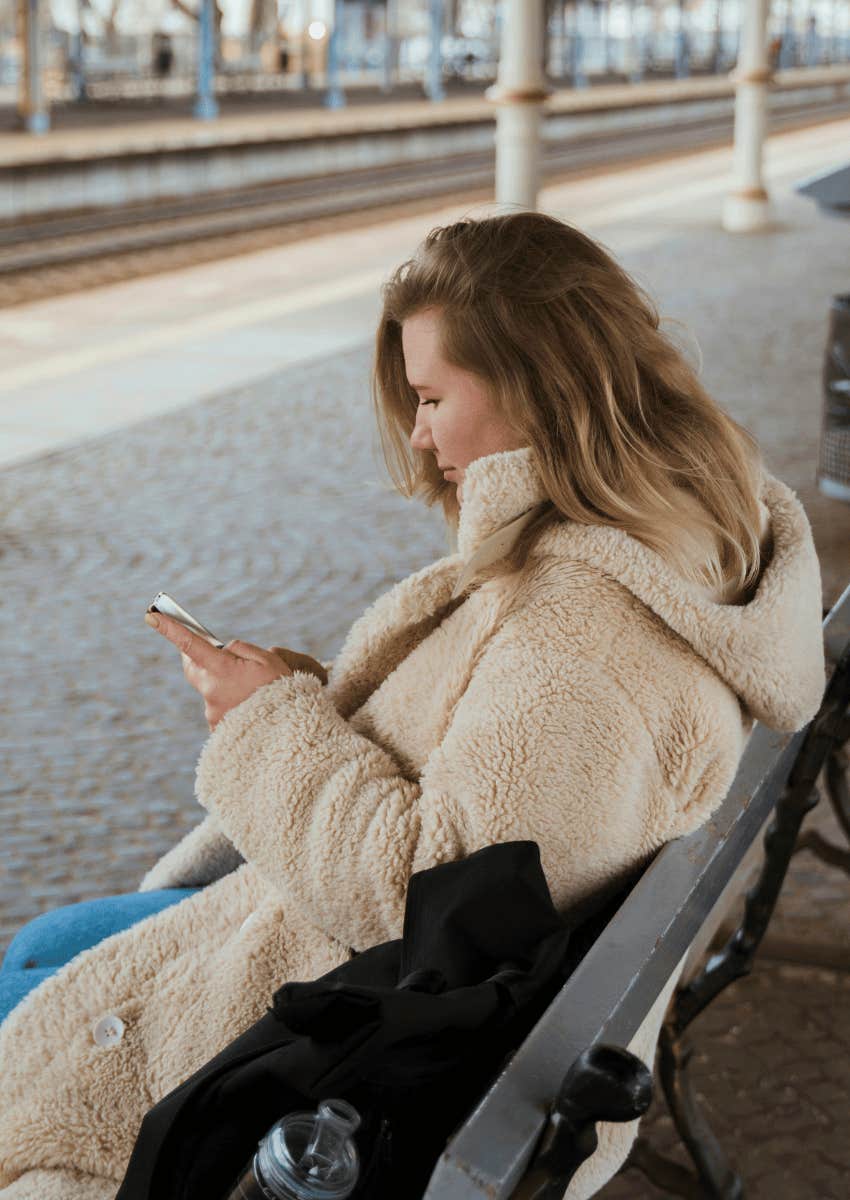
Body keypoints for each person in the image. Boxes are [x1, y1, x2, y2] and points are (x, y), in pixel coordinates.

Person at [0, 211, 826, 1199]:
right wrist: (304, 699)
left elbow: (433, 906)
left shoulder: (589, 639)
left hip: (351, 1019)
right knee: (44, 947)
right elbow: (498, 796)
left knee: (28, 989)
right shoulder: (653, 542)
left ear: (539, 386)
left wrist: (270, 725)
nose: (417, 431)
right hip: (379, 975)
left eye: (432, 396)